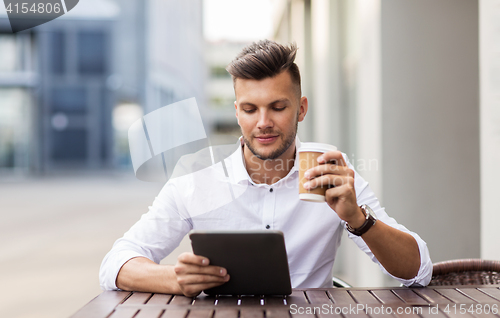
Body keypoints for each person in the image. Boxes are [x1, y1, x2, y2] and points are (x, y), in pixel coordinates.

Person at [100, 40, 432, 297]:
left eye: (277, 107)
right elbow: (115, 264)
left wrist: (358, 218)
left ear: (301, 109)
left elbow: (419, 271)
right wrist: (173, 278)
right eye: (250, 109)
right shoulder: (195, 180)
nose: (263, 123)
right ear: (236, 113)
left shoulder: (331, 174)